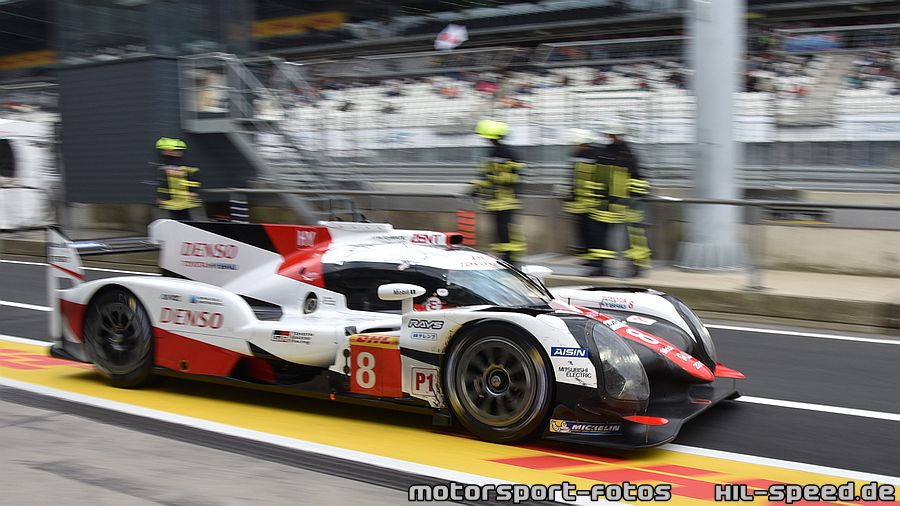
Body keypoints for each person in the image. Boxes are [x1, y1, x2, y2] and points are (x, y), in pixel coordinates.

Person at [588, 121, 651, 277]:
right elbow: (598, 177)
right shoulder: (604, 153)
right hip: (605, 204)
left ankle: (637, 266)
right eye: (609, 135)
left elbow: (638, 179)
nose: (611, 138)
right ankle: (601, 267)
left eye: (613, 135)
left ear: (620, 135)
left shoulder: (628, 154)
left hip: (626, 204)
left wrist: (633, 197)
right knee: (599, 236)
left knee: (634, 237)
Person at [470, 120, 527, 264]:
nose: (487, 141)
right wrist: (475, 188)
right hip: (495, 200)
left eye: (488, 138)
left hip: (507, 200)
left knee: (508, 229)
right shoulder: (493, 153)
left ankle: (511, 258)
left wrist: (495, 179)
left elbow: (515, 177)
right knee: (499, 230)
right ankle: (504, 256)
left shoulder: (509, 153)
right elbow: (486, 175)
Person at [562, 128, 603, 259]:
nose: (575, 145)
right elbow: (573, 176)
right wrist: (569, 192)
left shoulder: (595, 155)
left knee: (592, 231)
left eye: (576, 143)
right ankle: (585, 254)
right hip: (579, 202)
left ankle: (592, 256)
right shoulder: (577, 155)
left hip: (592, 202)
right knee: (582, 229)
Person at [155, 137, 201, 221]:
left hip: (184, 198)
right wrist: (161, 197)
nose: (163, 152)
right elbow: (163, 182)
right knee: (177, 219)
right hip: (173, 199)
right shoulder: (166, 162)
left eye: (165, 149)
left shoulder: (185, 162)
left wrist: (193, 192)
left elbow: (194, 178)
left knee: (186, 219)